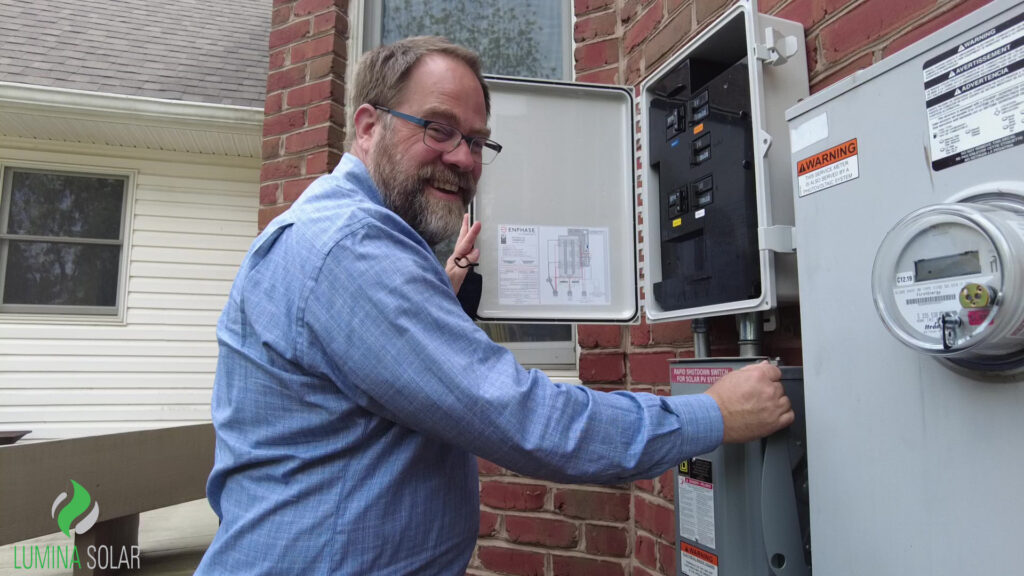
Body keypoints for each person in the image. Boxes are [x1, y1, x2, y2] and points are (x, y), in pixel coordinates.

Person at [196, 36, 793, 575]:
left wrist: (436, 297)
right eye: (438, 128)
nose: (463, 158)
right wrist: (712, 415)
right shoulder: (351, 248)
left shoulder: (341, 232)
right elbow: (524, 420)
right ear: (367, 126)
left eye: (478, 141)